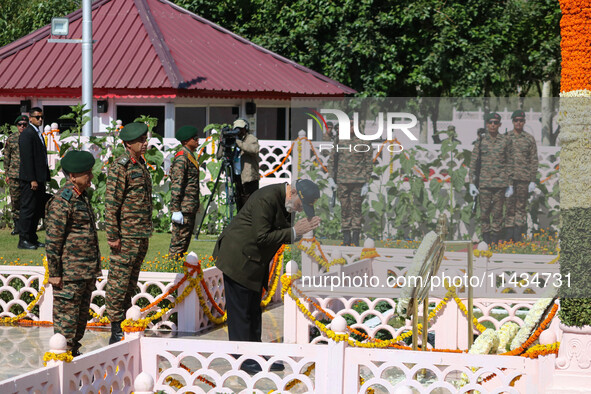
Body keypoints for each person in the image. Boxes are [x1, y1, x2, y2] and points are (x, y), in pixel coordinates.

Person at [213, 179, 320, 373]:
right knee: (241, 314)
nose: (300, 210)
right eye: (301, 206)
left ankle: (256, 354)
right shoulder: (267, 198)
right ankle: (243, 359)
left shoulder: (286, 203)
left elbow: (281, 234)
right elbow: (262, 237)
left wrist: (297, 232)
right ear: (293, 192)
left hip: (254, 261)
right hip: (238, 257)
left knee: (253, 312)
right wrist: (296, 231)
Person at [46, 150, 100, 357]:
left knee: (78, 326)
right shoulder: (62, 201)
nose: (91, 177)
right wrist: (55, 272)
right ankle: (62, 366)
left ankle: (74, 365)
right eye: (87, 174)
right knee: (65, 329)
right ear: (72, 176)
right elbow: (53, 241)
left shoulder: (81, 197)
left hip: (84, 272)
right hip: (69, 274)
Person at [104, 122, 153, 344]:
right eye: (140, 141)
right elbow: (111, 204)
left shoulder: (140, 165)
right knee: (118, 282)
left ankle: (125, 322)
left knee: (130, 282)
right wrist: (113, 235)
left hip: (140, 234)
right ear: (128, 144)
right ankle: (115, 329)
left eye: (145, 139)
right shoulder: (120, 167)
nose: (144, 144)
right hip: (125, 236)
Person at [469, 112, 514, 245]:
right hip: (484, 184)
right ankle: (485, 242)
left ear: (499, 124)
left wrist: (510, 184)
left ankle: (494, 242)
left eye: (495, 122)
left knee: (498, 214)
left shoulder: (505, 141)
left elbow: (510, 162)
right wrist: (471, 183)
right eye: (490, 122)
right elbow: (473, 163)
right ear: (487, 124)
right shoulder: (481, 141)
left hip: (500, 184)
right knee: (484, 214)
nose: (493, 125)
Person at [326, 127, 373, 246]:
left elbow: (368, 162)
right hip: (342, 181)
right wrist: (331, 178)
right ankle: (346, 239)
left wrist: (366, 183)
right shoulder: (339, 140)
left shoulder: (364, 141)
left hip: (358, 181)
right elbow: (332, 160)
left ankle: (355, 240)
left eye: (353, 125)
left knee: (356, 209)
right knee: (344, 209)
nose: (350, 128)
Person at [17, 107, 50, 250]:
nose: (40, 119)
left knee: (37, 209)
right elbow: (27, 159)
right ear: (30, 118)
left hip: (39, 178)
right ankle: (23, 239)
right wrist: (32, 179)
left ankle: (32, 238)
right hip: (30, 180)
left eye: (42, 117)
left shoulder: (37, 133)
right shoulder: (27, 134)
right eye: (37, 117)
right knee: (28, 209)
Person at [504, 110, 538, 242]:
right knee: (508, 207)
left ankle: (517, 237)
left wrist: (532, 180)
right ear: (512, 121)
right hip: (509, 181)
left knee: (520, 207)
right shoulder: (506, 137)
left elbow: (533, 160)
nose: (518, 122)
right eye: (516, 120)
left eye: (521, 120)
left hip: (523, 179)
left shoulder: (529, 139)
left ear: (524, 122)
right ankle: (508, 236)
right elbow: (502, 158)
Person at [168, 126, 200, 259]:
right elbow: (177, 184)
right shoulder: (182, 157)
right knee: (178, 245)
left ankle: (178, 272)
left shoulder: (188, 155)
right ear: (187, 141)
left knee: (184, 244)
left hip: (189, 206)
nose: (198, 141)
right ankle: (172, 272)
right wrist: (176, 209)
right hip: (183, 207)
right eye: (195, 138)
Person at [4, 115, 28, 235]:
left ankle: (26, 226)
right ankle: (17, 226)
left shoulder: (31, 137)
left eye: (24, 124)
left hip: (28, 175)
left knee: (27, 201)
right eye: (20, 124)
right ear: (16, 126)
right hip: (14, 174)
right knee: (16, 201)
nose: (22, 127)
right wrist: (7, 173)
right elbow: (7, 157)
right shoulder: (12, 138)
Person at [230, 118, 260, 210]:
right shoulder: (234, 139)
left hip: (249, 179)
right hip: (237, 177)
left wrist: (238, 142)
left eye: (241, 129)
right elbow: (219, 156)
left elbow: (254, 149)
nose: (239, 132)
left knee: (249, 206)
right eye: (237, 129)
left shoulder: (251, 139)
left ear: (245, 129)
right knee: (239, 205)